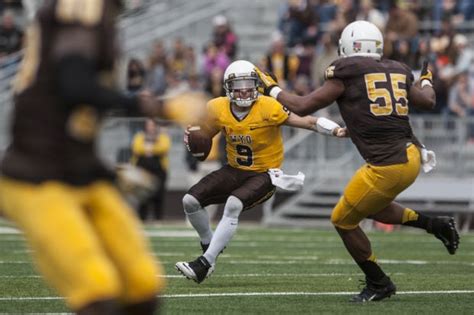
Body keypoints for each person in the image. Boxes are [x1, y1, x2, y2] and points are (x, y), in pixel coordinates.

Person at [0, 1, 192, 314]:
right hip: (36, 173)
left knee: (142, 285)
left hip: (78, 166)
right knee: (97, 290)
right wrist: (157, 107)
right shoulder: (83, 7)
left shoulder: (102, 14)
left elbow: (76, 116)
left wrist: (107, 174)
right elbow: (74, 84)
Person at [255, 20, 460, 302]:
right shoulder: (398, 69)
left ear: (346, 47)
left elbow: (302, 105)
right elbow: (427, 101)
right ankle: (436, 225)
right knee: (372, 207)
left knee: (343, 220)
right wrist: (426, 78)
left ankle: (379, 283)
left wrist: (272, 89)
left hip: (388, 164)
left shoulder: (345, 71)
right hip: (410, 154)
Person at [175, 60, 346, 283]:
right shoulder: (217, 107)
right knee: (189, 201)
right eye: (239, 84)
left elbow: (309, 122)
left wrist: (337, 129)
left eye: (249, 83)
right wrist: (194, 137)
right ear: (228, 88)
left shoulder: (269, 107)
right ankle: (209, 243)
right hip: (234, 170)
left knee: (233, 204)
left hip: (265, 174)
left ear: (257, 85)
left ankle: (205, 263)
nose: (245, 89)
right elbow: (204, 133)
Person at [131, 118, 171, 222]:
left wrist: (148, 149)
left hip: (159, 171)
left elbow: (164, 148)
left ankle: (158, 219)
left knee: (158, 195)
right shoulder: (139, 136)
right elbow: (136, 148)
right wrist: (153, 149)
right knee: (142, 196)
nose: (151, 127)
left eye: (152, 125)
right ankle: (142, 219)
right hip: (143, 170)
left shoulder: (163, 137)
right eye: (149, 125)